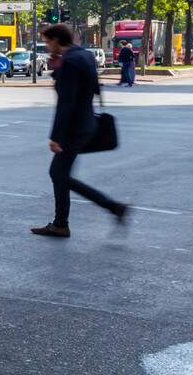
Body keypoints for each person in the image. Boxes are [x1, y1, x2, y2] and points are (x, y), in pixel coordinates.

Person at [33, 24, 128, 237]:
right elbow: (93, 88)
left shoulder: (70, 62)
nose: (47, 46)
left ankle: (112, 207)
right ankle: (61, 223)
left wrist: (56, 137)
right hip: (87, 123)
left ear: (57, 40)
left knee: (58, 174)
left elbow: (66, 103)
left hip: (73, 128)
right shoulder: (84, 55)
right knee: (60, 174)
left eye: (48, 42)